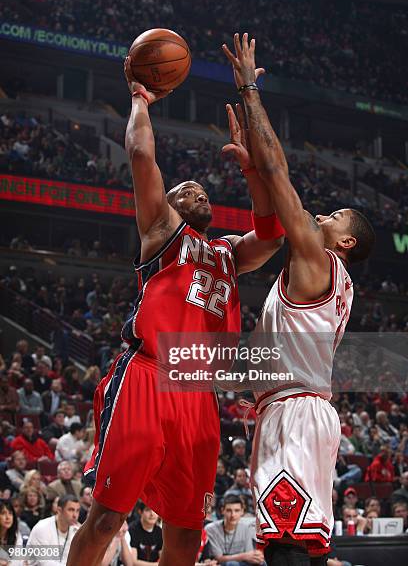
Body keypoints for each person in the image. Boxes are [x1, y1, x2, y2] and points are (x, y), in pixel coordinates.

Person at [67, 51, 284, 566]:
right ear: (172, 204)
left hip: (197, 394)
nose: (197, 191)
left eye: (203, 189)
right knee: (106, 517)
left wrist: (253, 170)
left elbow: (273, 234)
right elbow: (142, 157)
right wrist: (141, 101)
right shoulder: (162, 231)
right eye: (186, 190)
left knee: (187, 535)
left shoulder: (228, 252)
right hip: (147, 374)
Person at [223, 33, 375, 564]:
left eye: (333, 217)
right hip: (290, 407)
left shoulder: (316, 258)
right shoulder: (322, 271)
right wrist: (250, 173)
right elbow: (270, 190)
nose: (321, 217)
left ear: (346, 241)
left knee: (285, 548)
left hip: (297, 410)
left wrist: (249, 88)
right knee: (293, 543)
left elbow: (280, 173)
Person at [206, 495, 263, 564]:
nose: (233, 515)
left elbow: (249, 554)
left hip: (243, 563)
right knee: (232, 563)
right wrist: (243, 556)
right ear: (222, 511)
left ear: (242, 511)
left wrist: (256, 557)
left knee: (261, 562)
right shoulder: (211, 529)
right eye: (229, 510)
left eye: (237, 510)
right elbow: (218, 558)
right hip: (223, 563)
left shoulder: (247, 527)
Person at [27, 494, 80, 565]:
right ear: (59, 510)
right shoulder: (42, 528)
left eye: (77, 511)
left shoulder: (76, 530)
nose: (75, 515)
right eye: (71, 510)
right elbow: (44, 563)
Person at [0, 499, 24, 566]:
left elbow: (19, 560)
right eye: (3, 513)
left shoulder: (17, 535)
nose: (8, 517)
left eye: (10, 513)